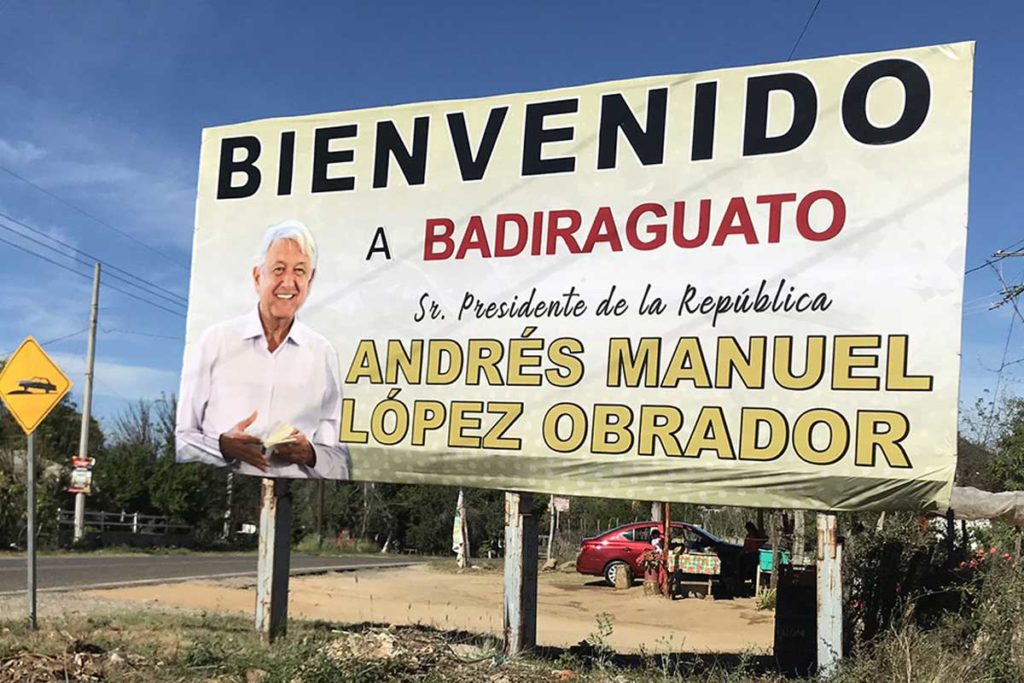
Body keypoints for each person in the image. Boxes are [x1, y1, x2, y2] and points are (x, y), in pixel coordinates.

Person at [175, 220, 351, 479]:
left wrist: (310, 454)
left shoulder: (322, 353)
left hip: (296, 499)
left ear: (310, 280)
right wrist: (222, 447)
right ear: (258, 277)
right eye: (278, 269)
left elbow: (340, 462)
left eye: (300, 271)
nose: (289, 282)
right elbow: (182, 441)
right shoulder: (217, 340)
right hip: (220, 494)